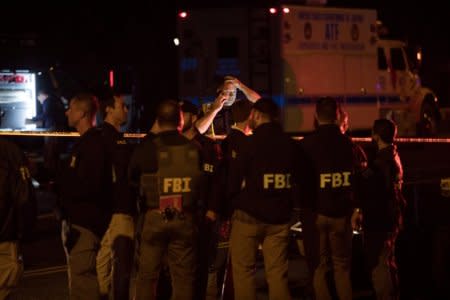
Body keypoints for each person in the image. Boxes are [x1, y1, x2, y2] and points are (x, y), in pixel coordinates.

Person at [129, 99, 209, 300]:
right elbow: (202, 183)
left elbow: (131, 177)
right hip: (184, 216)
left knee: (147, 277)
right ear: (180, 120)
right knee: (183, 278)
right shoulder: (194, 149)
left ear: (158, 120)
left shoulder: (147, 148)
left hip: (154, 216)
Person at [228, 98, 299, 300]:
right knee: (277, 275)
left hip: (248, 216)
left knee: (244, 274)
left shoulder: (249, 144)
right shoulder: (290, 145)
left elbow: (233, 180)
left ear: (256, 115)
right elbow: (300, 179)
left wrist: (234, 202)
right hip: (279, 218)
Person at [299, 96, 367, 300]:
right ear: (338, 117)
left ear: (316, 116)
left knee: (318, 269)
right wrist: (357, 209)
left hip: (315, 215)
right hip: (342, 214)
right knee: (342, 268)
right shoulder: (351, 146)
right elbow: (361, 180)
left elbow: (299, 181)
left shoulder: (306, 145)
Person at [59, 93, 113, 299]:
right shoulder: (86, 143)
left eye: (71, 108)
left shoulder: (92, 146)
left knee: (83, 279)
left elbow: (91, 185)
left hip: (85, 224)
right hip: (81, 222)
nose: (67, 112)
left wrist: (65, 186)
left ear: (81, 114)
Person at [206, 99, 254, 300]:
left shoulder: (225, 143)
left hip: (223, 210)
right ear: (251, 117)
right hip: (236, 212)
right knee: (232, 263)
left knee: (220, 261)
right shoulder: (245, 144)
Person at [96, 92, 135, 300]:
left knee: (105, 264)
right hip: (118, 209)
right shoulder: (109, 139)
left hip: (108, 210)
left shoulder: (113, 137)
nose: (126, 109)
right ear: (109, 109)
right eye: (122, 106)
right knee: (120, 266)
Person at [360, 118, 405, 300]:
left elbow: (374, 190)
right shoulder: (394, 155)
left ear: (375, 136)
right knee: (388, 261)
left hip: (380, 220)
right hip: (392, 217)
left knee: (380, 265)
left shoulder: (381, 163)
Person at [0, 137, 36, 300]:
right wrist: (25, 231)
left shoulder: (9, 152)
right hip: (5, 235)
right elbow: (24, 197)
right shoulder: (11, 151)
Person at [26, 88, 67, 179]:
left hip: (53, 128)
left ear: (42, 95)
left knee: (50, 151)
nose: (39, 101)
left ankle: (50, 174)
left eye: (39, 99)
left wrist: (32, 119)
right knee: (53, 152)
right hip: (57, 127)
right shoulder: (54, 100)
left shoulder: (48, 101)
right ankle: (55, 173)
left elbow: (46, 114)